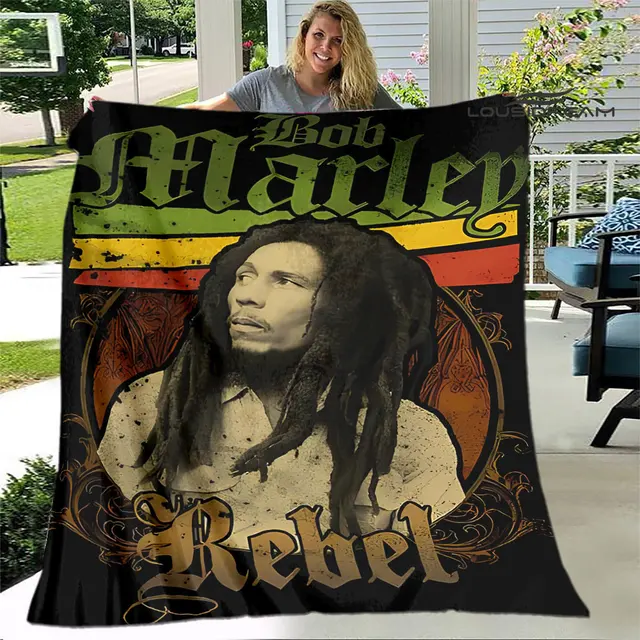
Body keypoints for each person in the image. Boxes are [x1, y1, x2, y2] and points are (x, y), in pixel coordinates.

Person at [97, 220, 465, 550]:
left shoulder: (414, 434)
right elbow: (113, 534)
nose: (247, 295)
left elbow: (438, 555)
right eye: (244, 276)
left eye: (285, 281)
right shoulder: (151, 402)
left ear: (345, 309)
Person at [89, 1, 400, 114]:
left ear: (348, 48)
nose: (325, 47)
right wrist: (122, 114)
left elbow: (413, 129)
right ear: (305, 35)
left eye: (338, 41)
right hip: (275, 216)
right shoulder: (266, 84)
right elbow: (200, 111)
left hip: (340, 219)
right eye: (319, 35)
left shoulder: (362, 91)